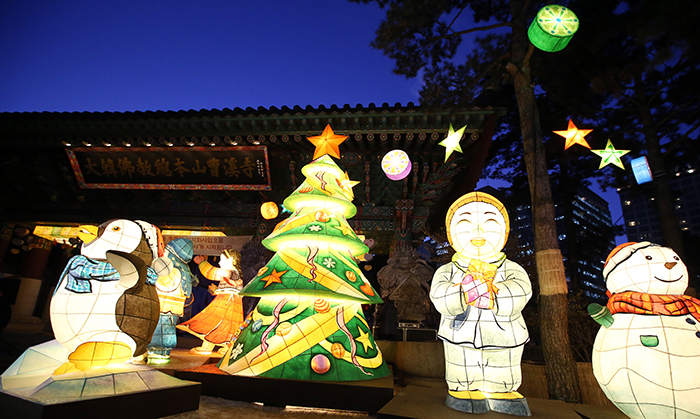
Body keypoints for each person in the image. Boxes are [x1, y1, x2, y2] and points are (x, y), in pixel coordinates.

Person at [430, 192, 532, 416]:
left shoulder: (510, 268)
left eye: (490, 223)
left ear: (504, 233)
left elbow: (522, 290)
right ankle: (462, 390)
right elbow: (438, 296)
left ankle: (502, 392)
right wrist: (462, 294)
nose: (478, 232)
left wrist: (496, 295)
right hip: (459, 335)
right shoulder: (447, 271)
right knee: (462, 370)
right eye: (465, 223)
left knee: (502, 370)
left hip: (504, 335)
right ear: (452, 235)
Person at [177, 249, 244, 355]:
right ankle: (208, 347)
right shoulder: (233, 274)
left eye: (222, 260)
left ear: (231, 260)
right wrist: (215, 291)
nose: (219, 262)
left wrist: (201, 262)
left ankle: (226, 347)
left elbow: (210, 272)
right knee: (215, 325)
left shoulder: (229, 272)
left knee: (219, 324)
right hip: (225, 302)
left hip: (228, 305)